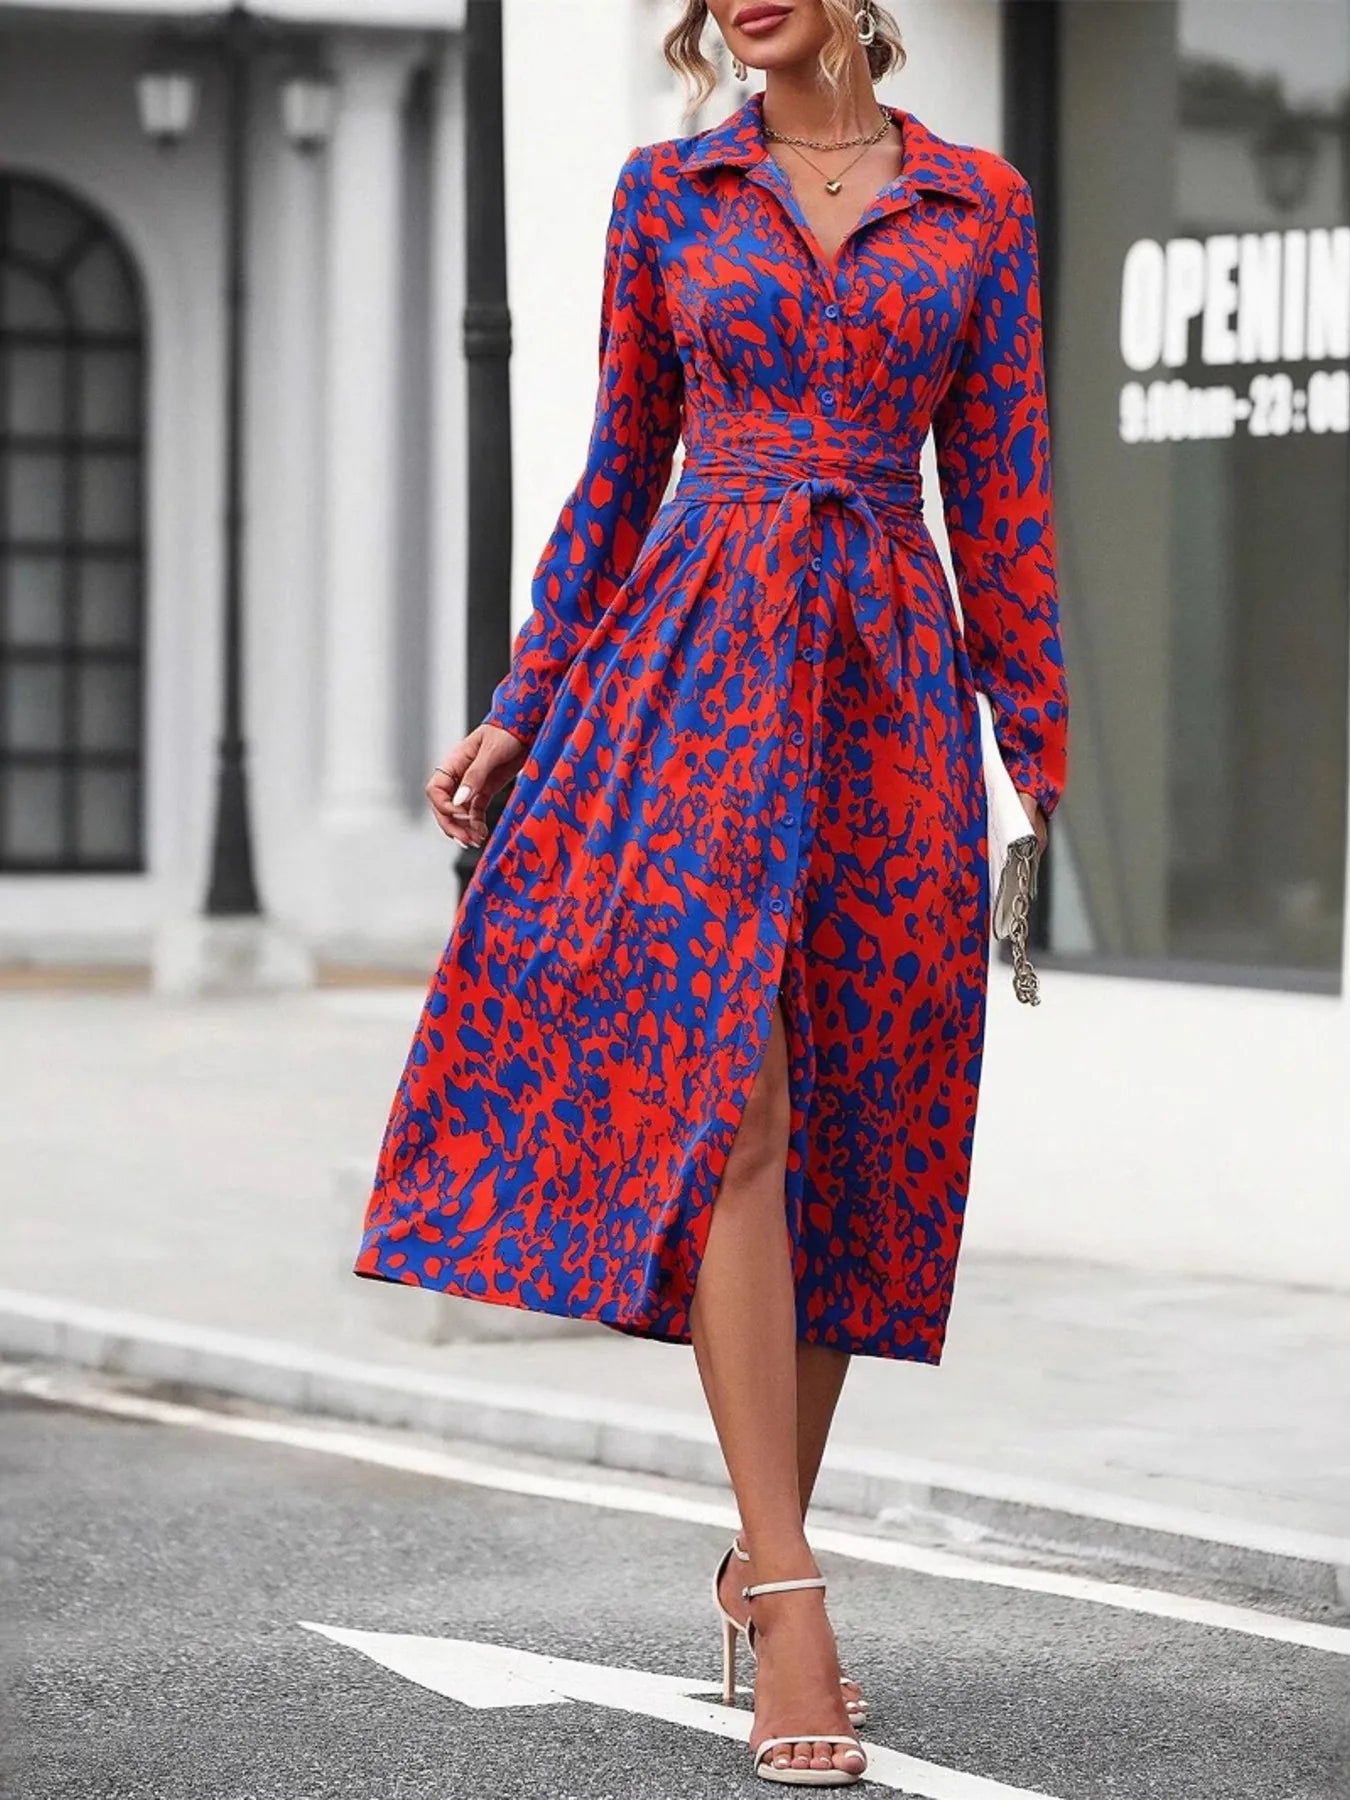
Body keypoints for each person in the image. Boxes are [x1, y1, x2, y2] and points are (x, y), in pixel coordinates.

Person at [354, 0, 1069, 1785]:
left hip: (885, 680)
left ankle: (759, 1553)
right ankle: (801, 1607)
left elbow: (1004, 499)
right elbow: (617, 469)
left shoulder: (980, 206)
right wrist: (523, 704)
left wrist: (1037, 753)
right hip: (684, 670)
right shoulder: (664, 195)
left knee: (849, 1123)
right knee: (734, 1110)